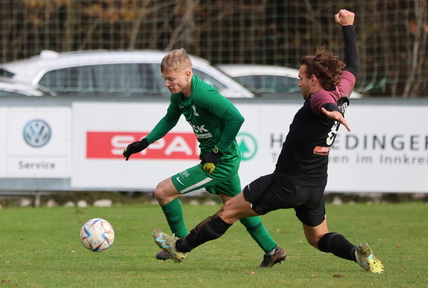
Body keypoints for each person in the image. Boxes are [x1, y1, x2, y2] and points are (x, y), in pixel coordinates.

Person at [153, 9, 385, 273]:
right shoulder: (341, 91)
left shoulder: (321, 99)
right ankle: (356, 252)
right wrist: (349, 27)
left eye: (300, 78)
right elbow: (353, 66)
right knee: (318, 238)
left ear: (314, 79)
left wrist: (330, 109)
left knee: (228, 210)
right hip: (315, 187)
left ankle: (180, 247)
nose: (298, 84)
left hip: (284, 184)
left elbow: (321, 100)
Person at [123, 48, 285, 267]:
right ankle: (273, 250)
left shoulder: (203, 94)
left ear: (187, 74)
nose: (167, 84)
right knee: (235, 207)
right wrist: (145, 142)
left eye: (171, 79)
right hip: (217, 159)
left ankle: (179, 245)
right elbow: (169, 120)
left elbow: (236, 118)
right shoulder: (180, 96)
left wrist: (216, 152)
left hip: (220, 161)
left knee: (163, 192)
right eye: (165, 79)